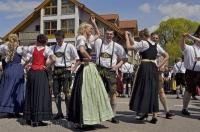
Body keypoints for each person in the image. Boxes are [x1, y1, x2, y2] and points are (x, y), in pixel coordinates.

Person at [68, 20, 114, 128]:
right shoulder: (81, 38)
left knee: (92, 93)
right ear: (84, 29)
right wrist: (89, 57)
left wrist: (94, 23)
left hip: (90, 68)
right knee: (84, 94)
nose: (92, 30)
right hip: (85, 67)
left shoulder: (88, 39)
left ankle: (90, 119)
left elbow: (98, 34)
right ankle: (83, 120)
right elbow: (82, 50)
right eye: (90, 29)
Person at [126, 29, 169, 124]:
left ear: (143, 36)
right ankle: (154, 115)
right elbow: (167, 56)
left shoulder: (143, 43)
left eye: (141, 36)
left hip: (145, 67)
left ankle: (143, 112)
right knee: (153, 90)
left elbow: (129, 47)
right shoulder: (157, 45)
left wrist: (126, 36)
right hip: (154, 68)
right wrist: (160, 65)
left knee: (143, 89)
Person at [95, 29, 127, 124]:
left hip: (110, 71)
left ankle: (113, 115)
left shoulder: (117, 46)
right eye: (107, 34)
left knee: (112, 93)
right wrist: (93, 23)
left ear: (113, 36)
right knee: (98, 92)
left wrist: (116, 66)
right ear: (105, 34)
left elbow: (125, 58)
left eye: (111, 34)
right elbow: (94, 35)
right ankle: (99, 114)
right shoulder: (98, 42)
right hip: (99, 70)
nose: (109, 35)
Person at [23, 34, 55, 127]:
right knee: (40, 95)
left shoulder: (32, 48)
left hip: (32, 72)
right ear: (45, 42)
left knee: (30, 94)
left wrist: (24, 66)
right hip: (40, 73)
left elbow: (28, 59)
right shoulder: (47, 49)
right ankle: (38, 119)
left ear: (37, 40)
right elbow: (54, 59)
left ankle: (30, 119)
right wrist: (47, 66)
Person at [51, 30, 79, 119]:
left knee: (67, 93)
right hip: (56, 71)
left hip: (66, 71)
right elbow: (49, 59)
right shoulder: (52, 47)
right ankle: (59, 112)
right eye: (56, 39)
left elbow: (77, 59)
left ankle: (68, 112)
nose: (58, 40)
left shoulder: (69, 46)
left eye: (59, 39)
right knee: (56, 93)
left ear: (63, 38)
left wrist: (73, 69)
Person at [0, 34, 26, 118]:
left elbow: (2, 52)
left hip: (8, 69)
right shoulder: (19, 48)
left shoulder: (5, 47)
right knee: (17, 90)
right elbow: (28, 57)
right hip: (17, 70)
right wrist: (25, 65)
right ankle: (16, 110)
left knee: (6, 89)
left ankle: (5, 109)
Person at [151, 32, 174, 119]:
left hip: (158, 72)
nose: (155, 39)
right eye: (153, 37)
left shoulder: (159, 47)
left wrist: (162, 66)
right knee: (148, 91)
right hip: (149, 71)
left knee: (161, 91)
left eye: (156, 38)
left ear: (158, 39)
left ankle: (167, 111)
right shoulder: (147, 45)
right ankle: (143, 112)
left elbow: (166, 57)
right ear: (150, 37)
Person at [180, 32, 200, 116]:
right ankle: (184, 108)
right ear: (195, 41)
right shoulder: (189, 48)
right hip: (190, 72)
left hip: (199, 72)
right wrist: (183, 37)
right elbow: (182, 45)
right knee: (189, 91)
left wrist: (189, 36)